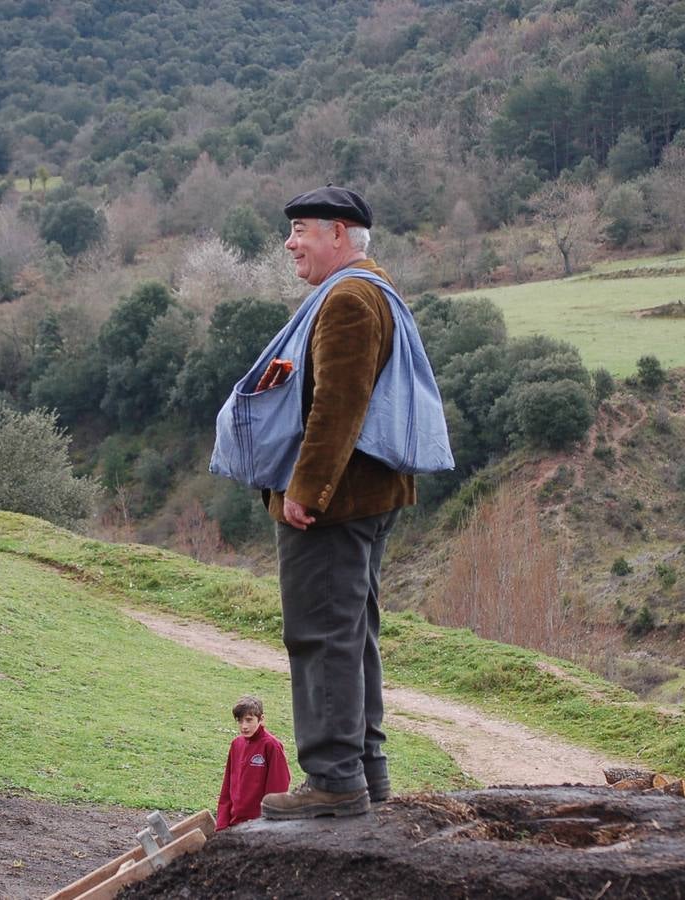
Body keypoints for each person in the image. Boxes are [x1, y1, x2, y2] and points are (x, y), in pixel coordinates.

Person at [260, 185, 415, 821]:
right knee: (352, 634)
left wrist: (305, 490)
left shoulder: (349, 298)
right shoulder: (368, 289)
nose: (291, 242)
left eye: (302, 229)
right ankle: (365, 771)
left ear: (340, 236)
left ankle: (332, 779)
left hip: (336, 504)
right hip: (361, 498)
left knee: (321, 634)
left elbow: (338, 405)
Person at [216, 695, 290, 830]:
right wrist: (221, 824)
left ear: (261, 719)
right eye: (240, 721)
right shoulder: (236, 744)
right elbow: (227, 786)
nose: (244, 726)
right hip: (233, 824)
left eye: (249, 720)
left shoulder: (272, 746)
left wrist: (267, 825)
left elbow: (278, 788)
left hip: (257, 827)